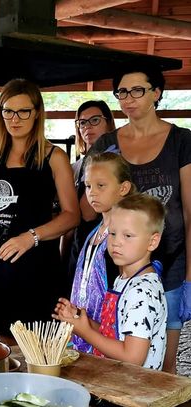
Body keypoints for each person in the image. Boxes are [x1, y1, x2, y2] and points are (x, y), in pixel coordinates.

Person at [90, 67, 191, 373]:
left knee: (165, 370)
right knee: (113, 360)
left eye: (138, 90)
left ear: (156, 93)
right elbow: (94, 202)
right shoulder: (107, 142)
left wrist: (190, 277)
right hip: (118, 268)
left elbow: (190, 211)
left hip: (172, 264)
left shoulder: (181, 141)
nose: (129, 99)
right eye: (122, 92)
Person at [0, 78, 80, 335]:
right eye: (8, 111)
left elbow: (72, 216)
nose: (15, 119)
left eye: (23, 111)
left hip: (35, 265)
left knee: (33, 345)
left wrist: (31, 238)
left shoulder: (54, 156)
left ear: (37, 112)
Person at [54, 193, 168, 370]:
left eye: (128, 236)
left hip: (134, 391)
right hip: (117, 381)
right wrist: (82, 320)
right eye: (113, 233)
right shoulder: (123, 280)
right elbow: (115, 333)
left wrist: (85, 332)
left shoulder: (142, 292)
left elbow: (132, 357)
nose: (116, 242)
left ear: (152, 242)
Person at [70, 152, 135, 353]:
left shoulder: (126, 237)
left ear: (123, 188)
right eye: (88, 186)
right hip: (83, 331)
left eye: (101, 186)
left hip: (109, 339)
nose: (92, 193)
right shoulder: (93, 232)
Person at [62, 101, 116, 289]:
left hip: (108, 246)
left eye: (94, 120)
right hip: (79, 244)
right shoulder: (75, 167)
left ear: (109, 123)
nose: (87, 127)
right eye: (82, 123)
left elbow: (88, 212)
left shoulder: (120, 161)